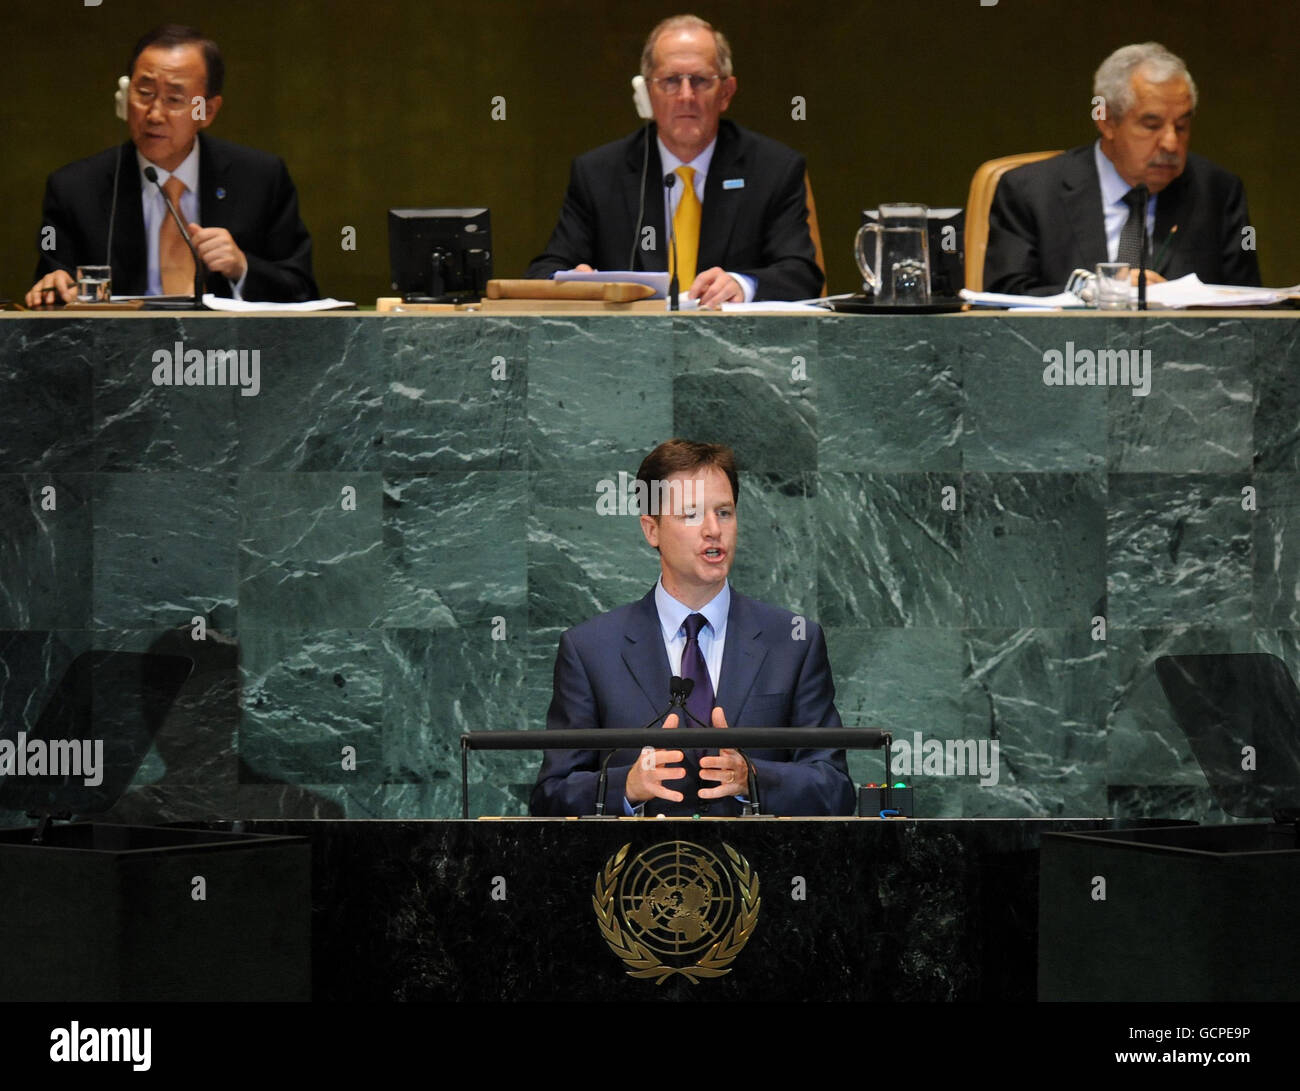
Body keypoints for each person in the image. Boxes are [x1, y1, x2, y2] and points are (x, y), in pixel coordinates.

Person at [530, 439, 855, 817]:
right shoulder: (590, 650)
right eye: (691, 514)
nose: (713, 529)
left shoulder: (794, 642)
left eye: (724, 512)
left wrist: (753, 778)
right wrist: (627, 787)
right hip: (638, 872)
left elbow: (835, 788)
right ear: (652, 530)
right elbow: (550, 798)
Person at [525, 15, 822, 304]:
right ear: (646, 93)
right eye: (670, 81)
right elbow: (543, 272)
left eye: (700, 80)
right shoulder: (598, 174)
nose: (685, 95)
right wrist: (571, 281)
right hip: (628, 350)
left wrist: (742, 285)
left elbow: (802, 275)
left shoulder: (773, 169)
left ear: (726, 92)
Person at [26, 24, 318, 307]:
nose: (154, 114)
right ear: (124, 96)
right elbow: (52, 283)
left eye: (174, 99)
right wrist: (54, 286)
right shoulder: (74, 189)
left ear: (208, 110)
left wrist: (241, 268)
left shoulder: (260, 179)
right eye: (144, 93)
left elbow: (302, 289)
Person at [983, 42, 1260, 296]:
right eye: (1151, 125)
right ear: (1106, 122)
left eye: (1182, 126)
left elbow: (1248, 305)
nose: (1171, 143)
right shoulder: (1030, 192)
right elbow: (1004, 295)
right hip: (1067, 350)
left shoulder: (1218, 192)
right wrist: (1099, 290)